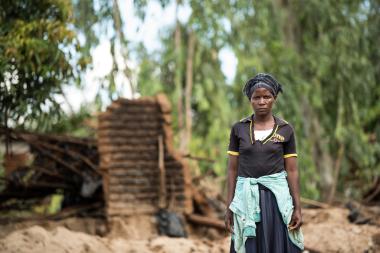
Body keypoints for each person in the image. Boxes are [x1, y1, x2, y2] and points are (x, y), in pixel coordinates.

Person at [225, 73, 304, 253]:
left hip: (276, 200)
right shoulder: (239, 129)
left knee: (278, 244)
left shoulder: (285, 129)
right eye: (257, 97)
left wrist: (297, 208)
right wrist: (229, 207)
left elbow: (292, 171)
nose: (262, 101)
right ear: (250, 100)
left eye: (267, 97)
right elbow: (232, 170)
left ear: (274, 99)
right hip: (246, 199)